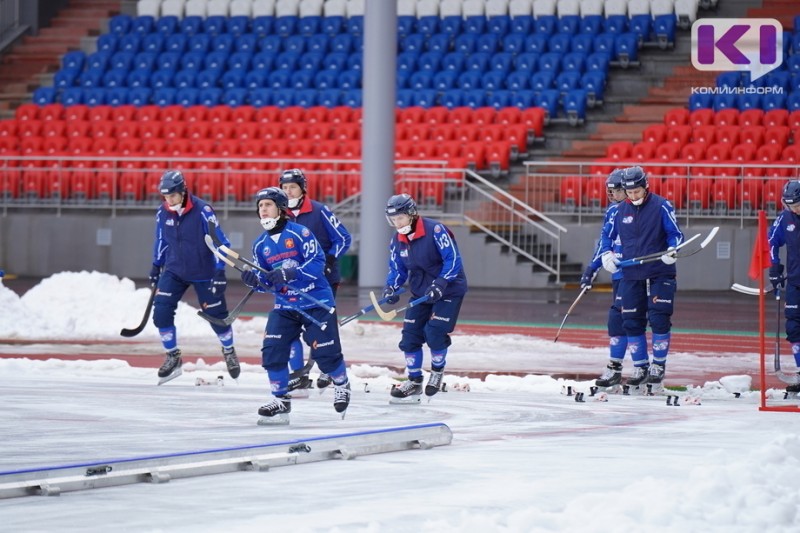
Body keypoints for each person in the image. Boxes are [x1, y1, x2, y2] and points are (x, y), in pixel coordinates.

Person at [240, 187, 351, 424]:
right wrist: (256, 281)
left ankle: (341, 383)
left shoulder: (300, 233)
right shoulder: (260, 245)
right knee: (272, 353)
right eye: (260, 206)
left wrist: (290, 273)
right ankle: (281, 400)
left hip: (316, 302)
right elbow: (268, 283)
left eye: (267, 205)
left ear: (280, 209)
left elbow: (318, 264)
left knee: (326, 356)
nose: (263, 210)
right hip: (286, 306)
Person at [149, 170, 239, 384]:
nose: (169, 201)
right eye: (165, 197)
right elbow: (161, 240)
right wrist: (155, 265)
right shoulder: (163, 212)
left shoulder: (202, 211)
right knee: (161, 313)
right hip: (174, 270)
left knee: (217, 316)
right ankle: (173, 356)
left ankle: (229, 350)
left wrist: (220, 271)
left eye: (172, 195)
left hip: (204, 271)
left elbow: (220, 242)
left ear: (183, 191)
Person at [599, 166, 684, 387]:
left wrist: (672, 250)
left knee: (658, 318)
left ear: (645, 186)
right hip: (630, 273)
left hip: (659, 271)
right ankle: (640, 367)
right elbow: (607, 237)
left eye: (637, 191)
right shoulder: (618, 211)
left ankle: (658, 365)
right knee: (631, 322)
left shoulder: (661, 205)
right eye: (629, 193)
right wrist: (607, 254)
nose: (633, 196)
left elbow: (676, 234)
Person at [381, 193, 468, 403]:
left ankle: (437, 371)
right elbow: (397, 268)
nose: (397, 223)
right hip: (421, 292)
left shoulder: (435, 230)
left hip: (448, 289)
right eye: (393, 220)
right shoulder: (398, 239)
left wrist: (440, 283)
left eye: (400, 218)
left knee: (434, 332)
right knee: (410, 337)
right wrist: (391, 288)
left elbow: (452, 258)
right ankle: (414, 381)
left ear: (411, 214)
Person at [279, 168, 352, 391]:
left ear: (303, 189)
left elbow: (343, 238)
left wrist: (330, 259)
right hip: (295, 281)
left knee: (323, 327)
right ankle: (299, 372)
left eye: (292, 187)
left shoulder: (320, 211)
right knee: (291, 324)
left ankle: (328, 369)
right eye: (284, 188)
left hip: (324, 280)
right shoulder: (279, 214)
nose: (288, 192)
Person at [580, 169, 628, 388]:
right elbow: (604, 241)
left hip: (639, 273)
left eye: (615, 191)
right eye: (609, 191)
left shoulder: (641, 210)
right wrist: (592, 267)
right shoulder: (611, 211)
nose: (611, 196)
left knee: (640, 321)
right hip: (619, 273)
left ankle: (645, 369)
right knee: (616, 319)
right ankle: (615, 368)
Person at [767, 179, 800, 393]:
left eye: (797, 204)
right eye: (790, 205)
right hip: (795, 282)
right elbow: (771, 242)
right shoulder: (785, 218)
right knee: (794, 328)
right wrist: (775, 269)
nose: (794, 209)